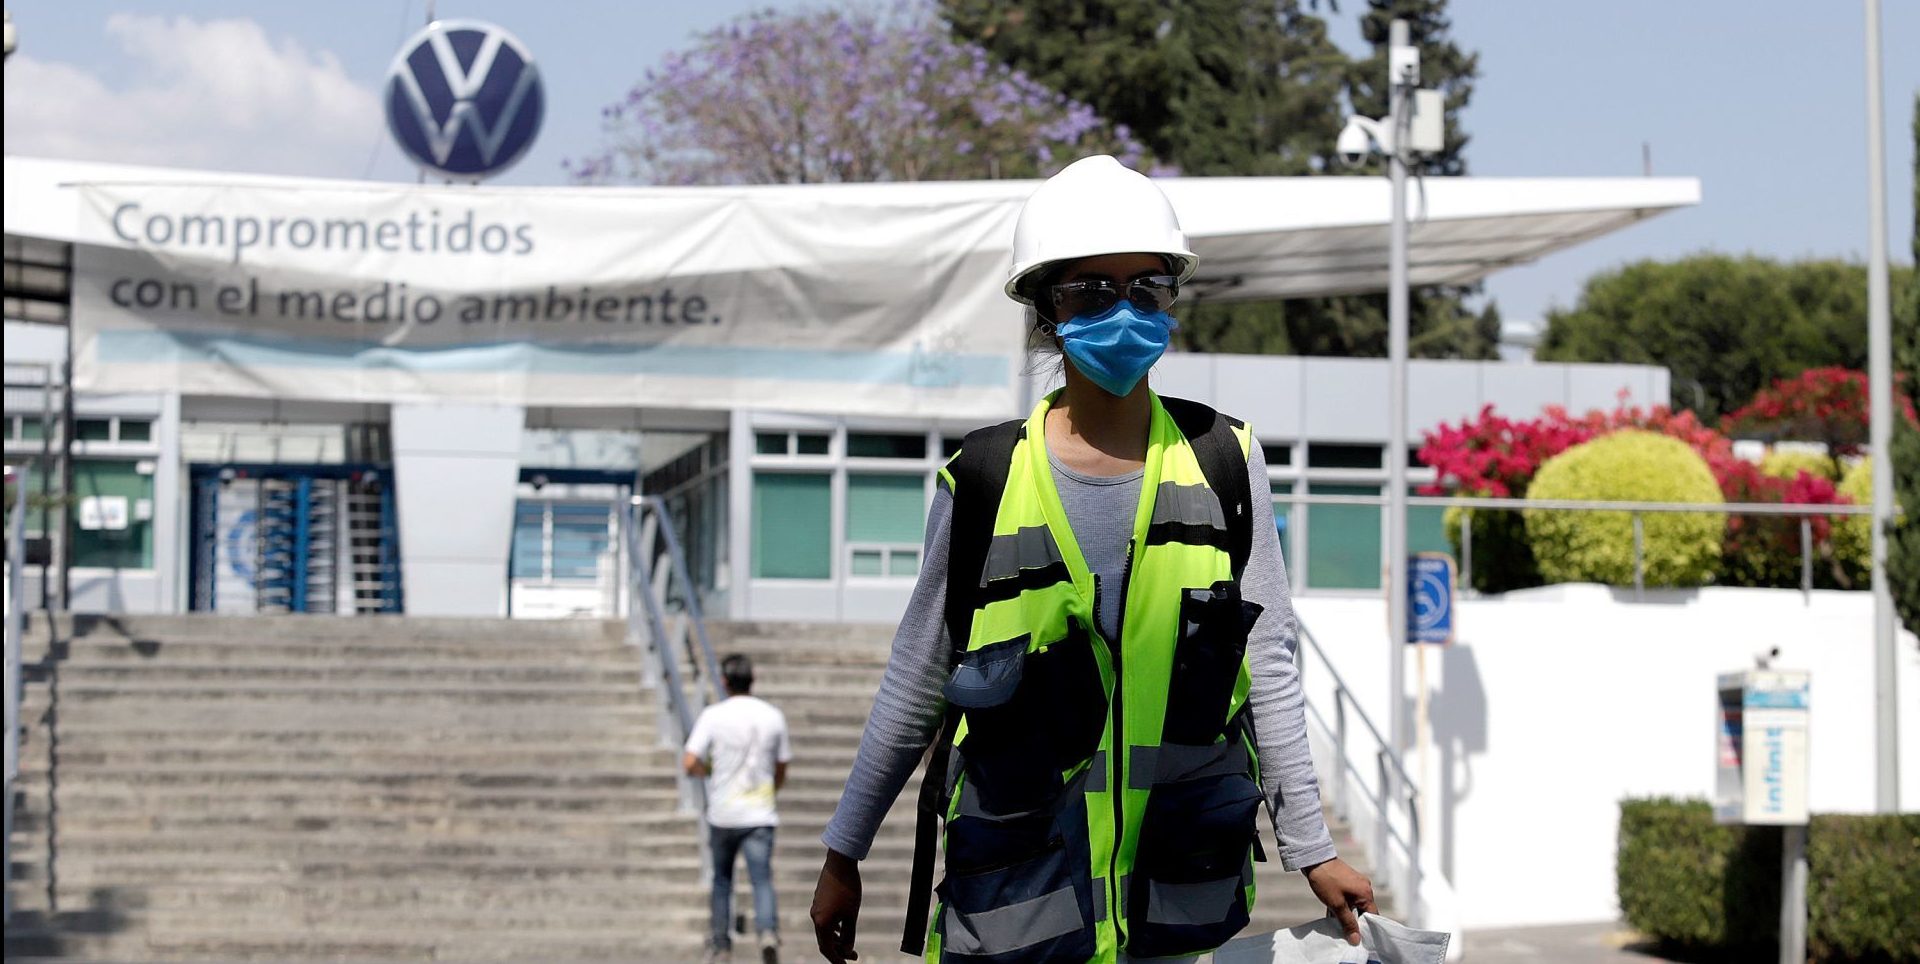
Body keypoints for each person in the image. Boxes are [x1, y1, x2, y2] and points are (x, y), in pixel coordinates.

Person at [808, 155, 1374, 964]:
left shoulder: (1223, 459)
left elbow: (1269, 661)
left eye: (1147, 287)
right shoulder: (985, 478)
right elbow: (918, 673)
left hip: (1175, 894)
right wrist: (844, 852)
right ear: (1045, 310)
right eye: (1090, 291)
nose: (1124, 312)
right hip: (1020, 900)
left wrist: (1312, 847)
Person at [685, 653, 793, 964]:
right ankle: (768, 933)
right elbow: (782, 764)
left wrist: (711, 769)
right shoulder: (772, 716)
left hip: (723, 813)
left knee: (722, 881)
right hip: (760, 813)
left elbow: (689, 761)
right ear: (752, 680)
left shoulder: (713, 716)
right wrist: (773, 788)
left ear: (724, 681)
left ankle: (721, 945)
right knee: (762, 879)